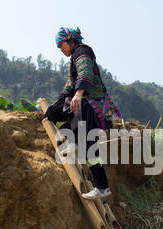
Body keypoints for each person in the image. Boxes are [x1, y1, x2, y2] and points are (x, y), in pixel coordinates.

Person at [46, 27, 117, 200]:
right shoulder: (73, 60)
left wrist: (77, 95)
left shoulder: (82, 51)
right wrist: (59, 101)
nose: (60, 48)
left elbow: (85, 74)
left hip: (94, 104)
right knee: (52, 112)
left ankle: (101, 186)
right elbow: (70, 83)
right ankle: (73, 142)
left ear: (70, 40)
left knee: (88, 145)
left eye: (61, 44)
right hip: (84, 103)